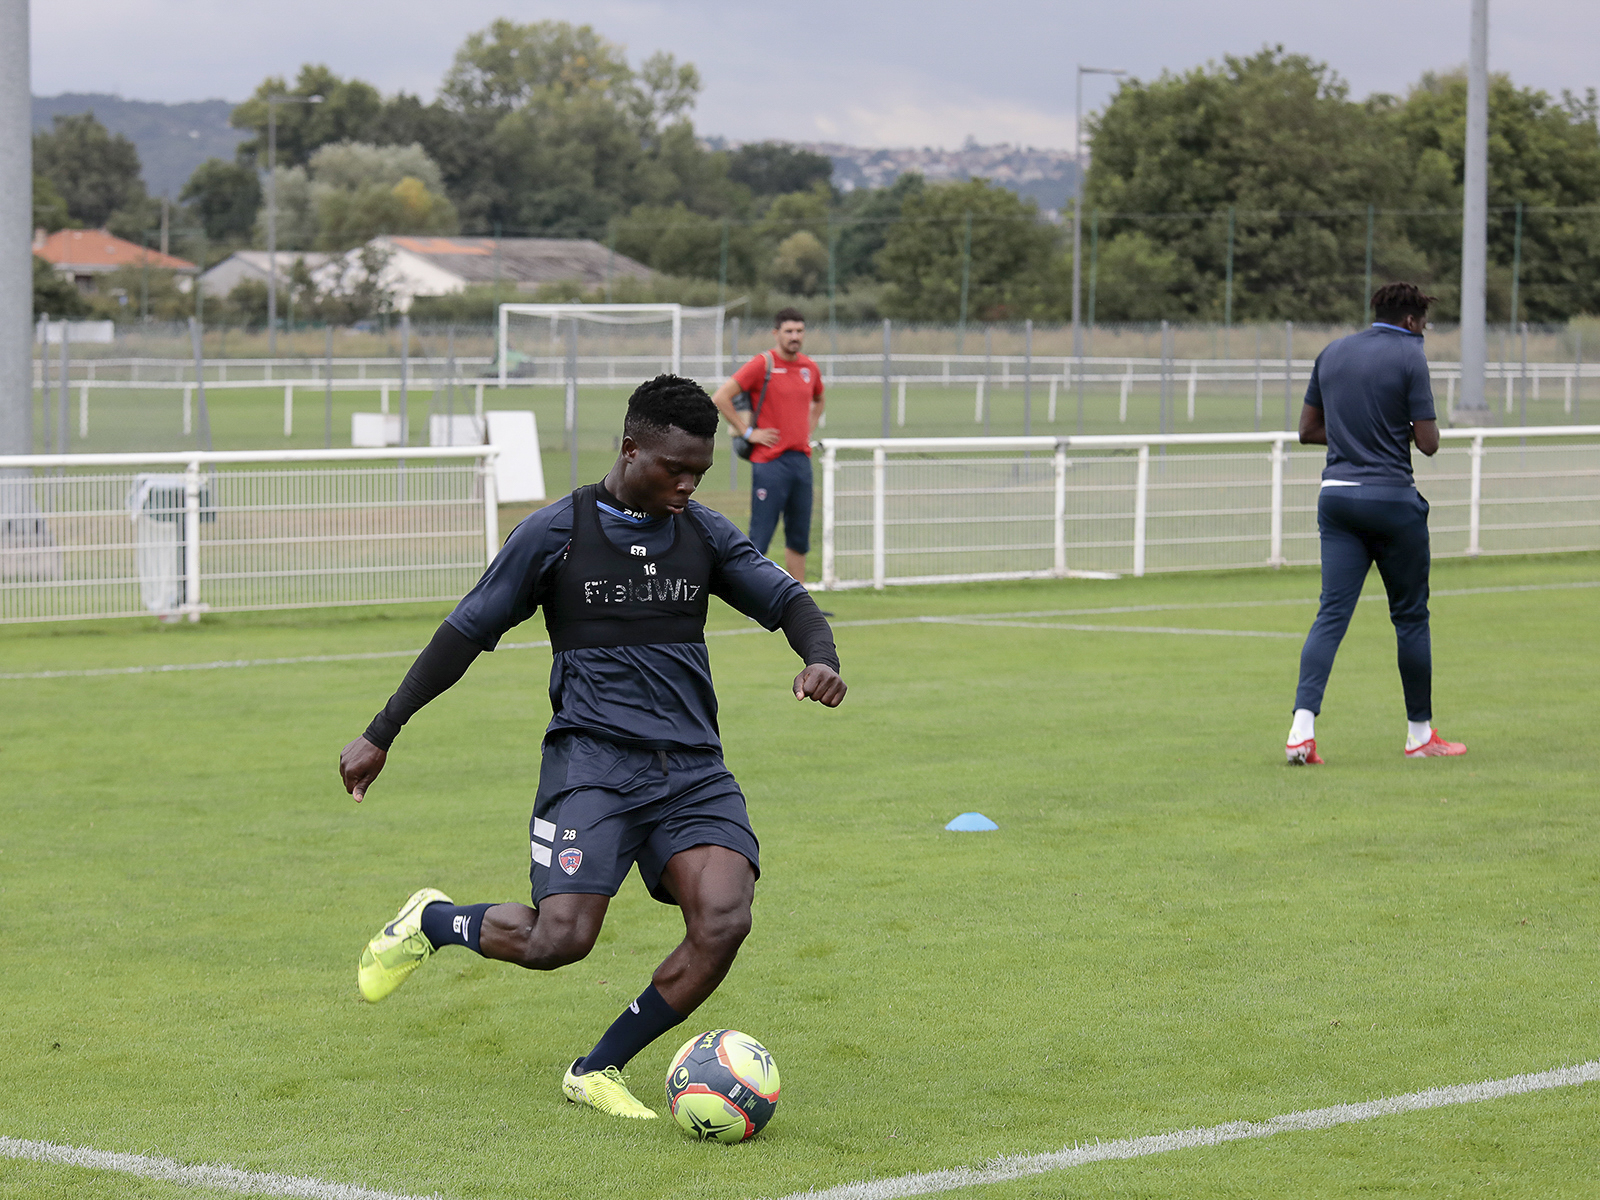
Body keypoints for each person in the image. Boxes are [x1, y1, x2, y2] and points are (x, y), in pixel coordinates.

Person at [339, 374, 847, 1120]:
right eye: (675, 469)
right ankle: (433, 922)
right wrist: (382, 730)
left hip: (692, 770)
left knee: (724, 919)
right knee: (559, 941)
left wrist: (819, 657)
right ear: (631, 448)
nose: (687, 485)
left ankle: (598, 1067)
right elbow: (464, 633)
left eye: (700, 472)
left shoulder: (702, 534)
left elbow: (789, 601)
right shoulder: (557, 534)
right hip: (594, 767)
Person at [1286, 282, 1465, 764]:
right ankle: (1420, 736)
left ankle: (1301, 731)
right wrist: (1389, 434)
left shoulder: (1332, 352)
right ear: (1410, 321)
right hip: (1390, 501)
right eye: (1423, 325)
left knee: (1331, 614)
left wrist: (1356, 437)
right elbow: (1428, 443)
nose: (1423, 333)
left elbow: (1307, 431)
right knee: (1410, 618)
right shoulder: (1410, 355)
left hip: (1336, 498)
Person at [710, 307, 825, 582]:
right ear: (776, 333)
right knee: (760, 536)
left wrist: (808, 429)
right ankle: (753, 595)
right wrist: (748, 432)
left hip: (801, 461)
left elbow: (819, 399)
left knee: (799, 536)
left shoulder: (809, 367)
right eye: (789, 331)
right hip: (770, 462)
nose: (794, 336)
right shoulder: (764, 364)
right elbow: (721, 397)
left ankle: (799, 598)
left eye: (799, 331)